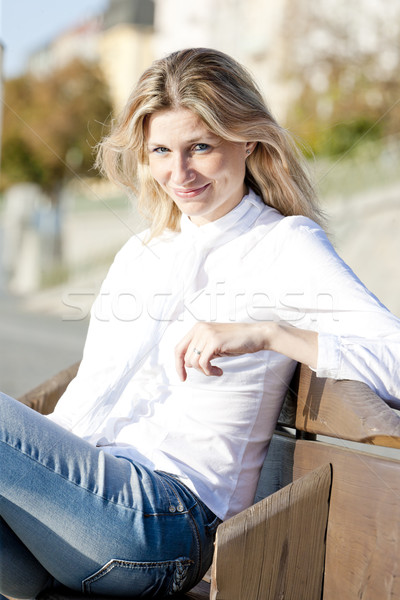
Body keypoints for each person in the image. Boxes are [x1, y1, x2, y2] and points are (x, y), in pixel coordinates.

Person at [1, 48, 399, 600]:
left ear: (249, 140)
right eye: (161, 150)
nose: (178, 173)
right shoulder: (142, 253)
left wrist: (270, 333)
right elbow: (90, 397)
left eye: (201, 147)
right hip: (78, 517)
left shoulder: (285, 245)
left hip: (163, 525)